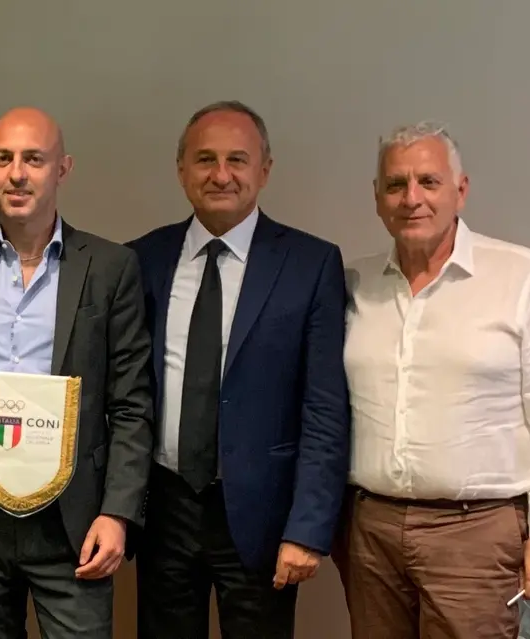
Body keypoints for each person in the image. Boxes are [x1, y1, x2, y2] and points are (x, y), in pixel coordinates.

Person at [0, 106, 154, 639]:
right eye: (3, 158)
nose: (17, 173)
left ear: (63, 168)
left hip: (74, 521)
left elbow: (132, 404)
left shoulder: (110, 267)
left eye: (34, 159)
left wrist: (118, 514)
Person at [337, 120, 530, 638]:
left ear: (461, 189)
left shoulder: (522, 277)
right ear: (377, 197)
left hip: (475, 532)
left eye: (428, 182)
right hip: (370, 530)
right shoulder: (353, 283)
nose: (412, 198)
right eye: (396, 184)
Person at [126, 100, 351, 639]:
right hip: (163, 506)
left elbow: (325, 409)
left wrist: (307, 529)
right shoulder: (141, 259)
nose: (221, 174)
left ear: (264, 170)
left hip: (261, 514)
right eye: (205, 159)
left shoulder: (310, 264)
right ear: (182, 170)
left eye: (237, 160)